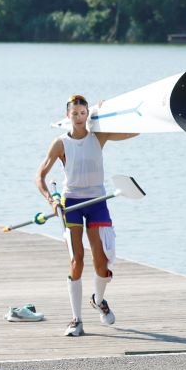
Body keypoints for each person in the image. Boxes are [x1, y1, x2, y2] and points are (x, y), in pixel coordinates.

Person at [36, 94, 138, 337]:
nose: (80, 118)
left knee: (102, 263)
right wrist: (52, 201)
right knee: (77, 260)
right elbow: (39, 177)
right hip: (71, 202)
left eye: (83, 113)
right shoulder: (60, 143)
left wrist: (111, 113)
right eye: (75, 114)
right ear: (67, 116)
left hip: (97, 202)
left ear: (88, 115)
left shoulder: (99, 136)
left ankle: (98, 300)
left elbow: (133, 132)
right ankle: (76, 320)